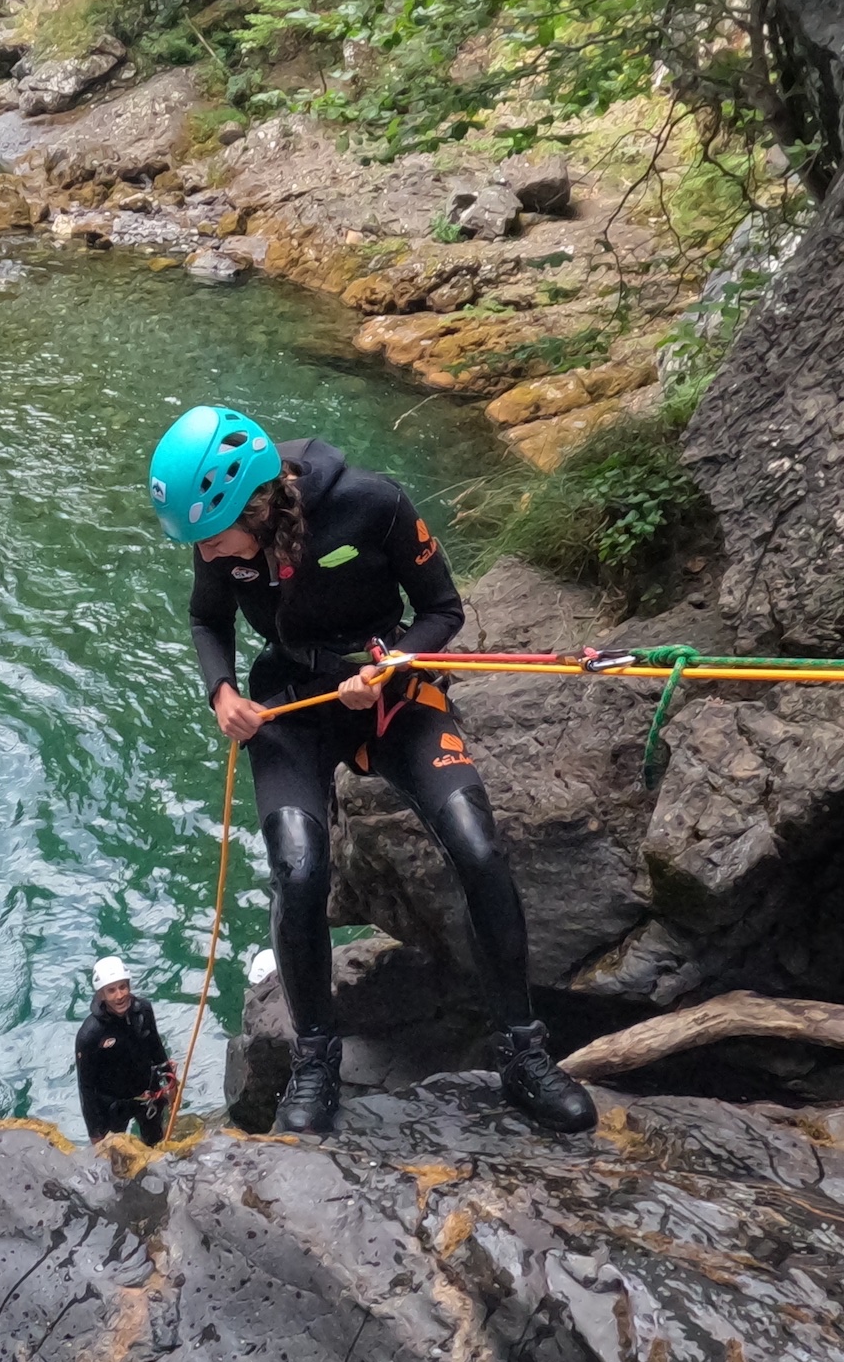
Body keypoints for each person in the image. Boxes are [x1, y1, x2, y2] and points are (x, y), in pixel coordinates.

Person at [147, 404, 596, 1137]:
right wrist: (222, 690)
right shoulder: (217, 544)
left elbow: (443, 610)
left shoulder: (372, 503)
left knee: (478, 848)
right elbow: (208, 620)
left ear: (258, 503)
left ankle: (523, 1053)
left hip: (392, 690)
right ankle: (315, 1058)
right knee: (298, 870)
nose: (203, 552)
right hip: (293, 697)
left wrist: (390, 665)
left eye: (211, 534)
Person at [75, 955, 176, 1144]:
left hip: (147, 1095)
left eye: (123, 987)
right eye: (111, 990)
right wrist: (95, 1132)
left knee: (155, 1142)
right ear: (101, 995)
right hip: (113, 1105)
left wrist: (169, 1079)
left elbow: (155, 1047)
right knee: (116, 1159)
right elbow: (86, 1087)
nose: (120, 995)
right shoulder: (90, 1034)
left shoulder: (142, 1011)